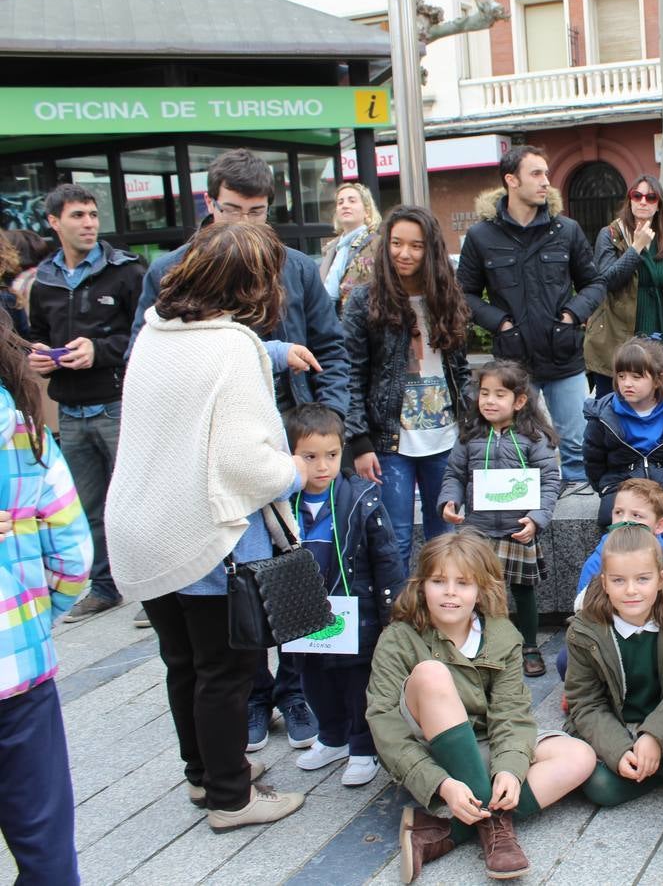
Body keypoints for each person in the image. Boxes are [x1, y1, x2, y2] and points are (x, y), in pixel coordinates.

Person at [131, 147, 349, 754]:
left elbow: (331, 347)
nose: (245, 225)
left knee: (299, 574)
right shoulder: (171, 269)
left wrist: (329, 425)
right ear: (209, 203)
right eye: (232, 210)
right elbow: (149, 361)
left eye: (257, 212)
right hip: (224, 466)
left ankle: (295, 689)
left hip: (293, 441)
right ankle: (248, 699)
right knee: (234, 591)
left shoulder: (296, 266)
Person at [106, 222, 308, 831]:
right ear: (253, 285)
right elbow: (245, 465)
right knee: (226, 671)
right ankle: (231, 798)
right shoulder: (234, 347)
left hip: (144, 525)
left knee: (183, 664)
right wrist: (295, 468)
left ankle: (203, 777)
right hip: (203, 536)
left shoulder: (155, 332)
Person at [367, 532, 596, 882]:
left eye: (463, 583)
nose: (450, 592)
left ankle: (450, 831)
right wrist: (441, 784)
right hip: (432, 749)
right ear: (421, 585)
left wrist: (508, 769)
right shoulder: (399, 637)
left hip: (485, 744)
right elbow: (385, 726)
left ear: (481, 589)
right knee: (431, 674)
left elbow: (511, 713)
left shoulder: (501, 634)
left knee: (579, 756)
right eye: (438, 581)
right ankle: (495, 828)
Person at [0, 306, 91, 885]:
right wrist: (33, 616)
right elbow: (73, 558)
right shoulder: (22, 427)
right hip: (19, 668)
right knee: (46, 853)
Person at [27, 184, 144, 626]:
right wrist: (37, 356)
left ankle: (155, 591)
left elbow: (144, 334)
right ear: (54, 222)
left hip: (117, 404)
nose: (89, 223)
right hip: (71, 410)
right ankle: (104, 587)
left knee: (135, 501)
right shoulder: (45, 280)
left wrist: (101, 350)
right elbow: (35, 333)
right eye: (77, 215)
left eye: (93, 214)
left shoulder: (127, 271)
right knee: (89, 506)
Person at [457, 145, 607, 485]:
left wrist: (572, 314)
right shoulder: (482, 236)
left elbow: (595, 283)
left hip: (564, 356)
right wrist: (500, 323)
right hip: (513, 362)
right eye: (536, 174)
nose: (546, 182)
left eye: (546, 173)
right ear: (511, 180)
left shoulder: (565, 230)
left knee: (577, 446)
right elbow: (462, 294)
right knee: (517, 446)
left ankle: (578, 520)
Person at [284, 403, 406, 787]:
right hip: (304, 614)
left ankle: (362, 746)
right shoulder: (284, 502)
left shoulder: (361, 497)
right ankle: (331, 737)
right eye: (310, 457)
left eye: (332, 455)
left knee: (357, 683)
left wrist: (391, 613)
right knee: (313, 680)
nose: (323, 466)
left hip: (357, 611)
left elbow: (386, 557)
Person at [345, 205, 471, 570]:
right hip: (388, 442)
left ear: (430, 249)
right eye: (396, 243)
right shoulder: (364, 300)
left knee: (445, 539)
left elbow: (459, 369)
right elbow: (352, 374)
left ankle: (442, 615)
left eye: (415, 246)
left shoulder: (447, 297)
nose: (404, 253)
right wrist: (359, 440)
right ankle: (397, 622)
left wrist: (472, 426)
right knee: (394, 540)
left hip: (445, 439)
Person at [563, 523, 663, 807]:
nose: (631, 591)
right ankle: (650, 769)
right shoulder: (583, 631)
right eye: (618, 581)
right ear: (604, 582)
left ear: (661, 579)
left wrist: (654, 735)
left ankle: (653, 765)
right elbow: (585, 702)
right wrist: (618, 750)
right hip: (616, 724)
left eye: (643, 579)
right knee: (600, 787)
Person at [438, 360, 561, 678]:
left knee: (523, 589)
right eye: (484, 394)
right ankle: (481, 643)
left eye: (499, 394)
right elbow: (454, 473)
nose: (490, 401)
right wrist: (449, 499)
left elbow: (550, 481)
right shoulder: (469, 437)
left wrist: (536, 519)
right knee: (476, 589)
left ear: (519, 401)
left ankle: (530, 645)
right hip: (477, 529)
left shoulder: (534, 438)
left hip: (517, 527)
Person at [554, 478, 663, 682]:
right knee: (566, 659)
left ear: (660, 525)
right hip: (613, 641)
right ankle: (588, 690)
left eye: (636, 515)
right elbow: (584, 612)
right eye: (618, 512)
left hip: (660, 640)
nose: (624, 521)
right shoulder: (597, 561)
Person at [582, 337, 663, 554]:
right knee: (617, 548)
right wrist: (606, 487)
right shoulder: (603, 417)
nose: (627, 383)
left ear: (657, 379)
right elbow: (593, 459)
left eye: (637, 376)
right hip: (620, 484)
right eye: (621, 376)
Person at [586, 174, 663, 398]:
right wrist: (636, 247)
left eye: (650, 197)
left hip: (657, 337)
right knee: (614, 409)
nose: (643, 201)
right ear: (629, 200)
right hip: (616, 338)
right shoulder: (611, 234)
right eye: (637, 196)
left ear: (659, 205)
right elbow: (607, 280)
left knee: (653, 405)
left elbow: (658, 281)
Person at [320, 181, 381, 310]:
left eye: (352, 201)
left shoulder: (377, 244)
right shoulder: (331, 249)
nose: (345, 205)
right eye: (340, 202)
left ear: (367, 211)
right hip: (329, 319)